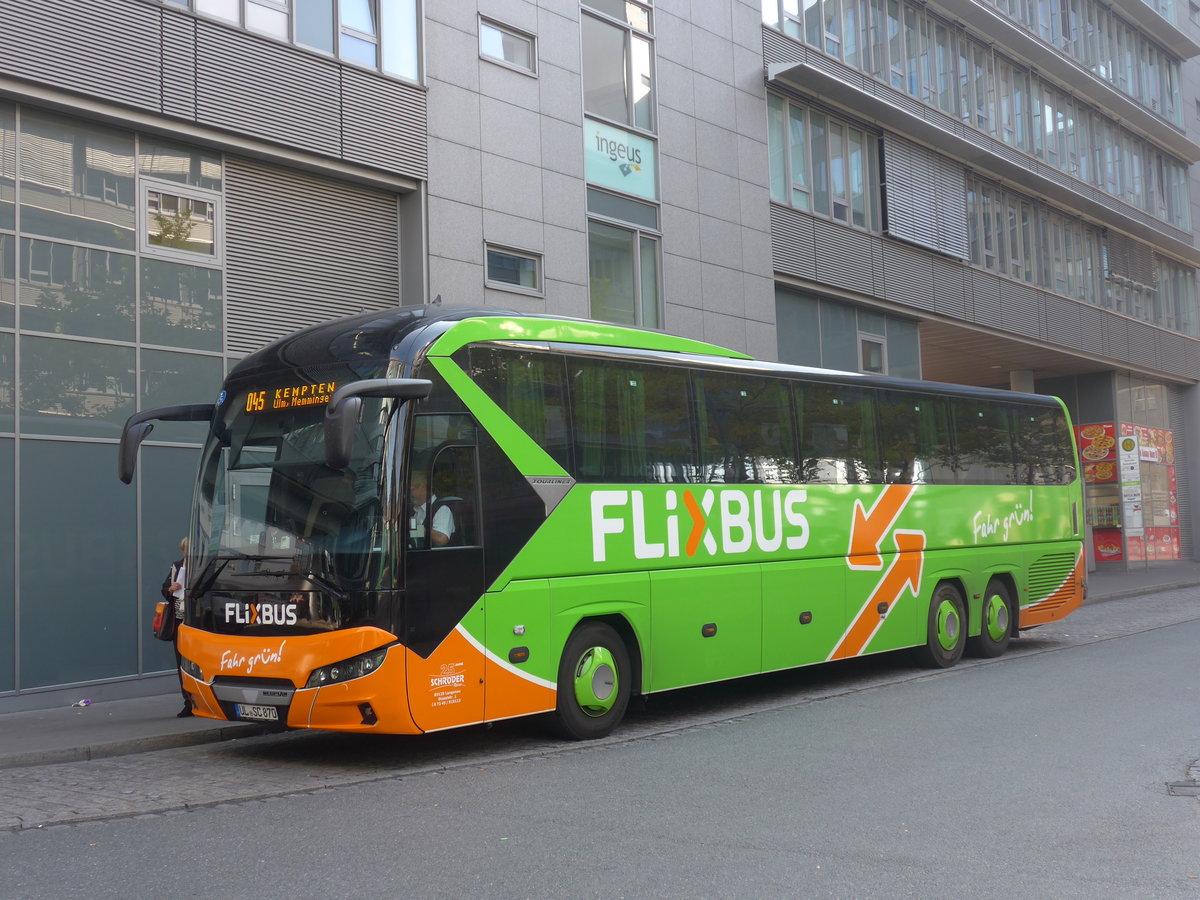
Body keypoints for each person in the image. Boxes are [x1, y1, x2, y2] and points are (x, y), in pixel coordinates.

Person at [161, 537, 191, 718]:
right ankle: (188, 701)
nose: (187, 552)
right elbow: (164, 589)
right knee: (181, 663)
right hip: (179, 622)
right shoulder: (176, 567)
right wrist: (171, 588)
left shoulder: (204, 567)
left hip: (197, 622)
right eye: (185, 549)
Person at [408, 471, 455, 547]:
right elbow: (416, 536)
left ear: (423, 487)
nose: (409, 494)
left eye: (411, 490)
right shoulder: (415, 511)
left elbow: (441, 539)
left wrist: (414, 526)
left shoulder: (442, 509)